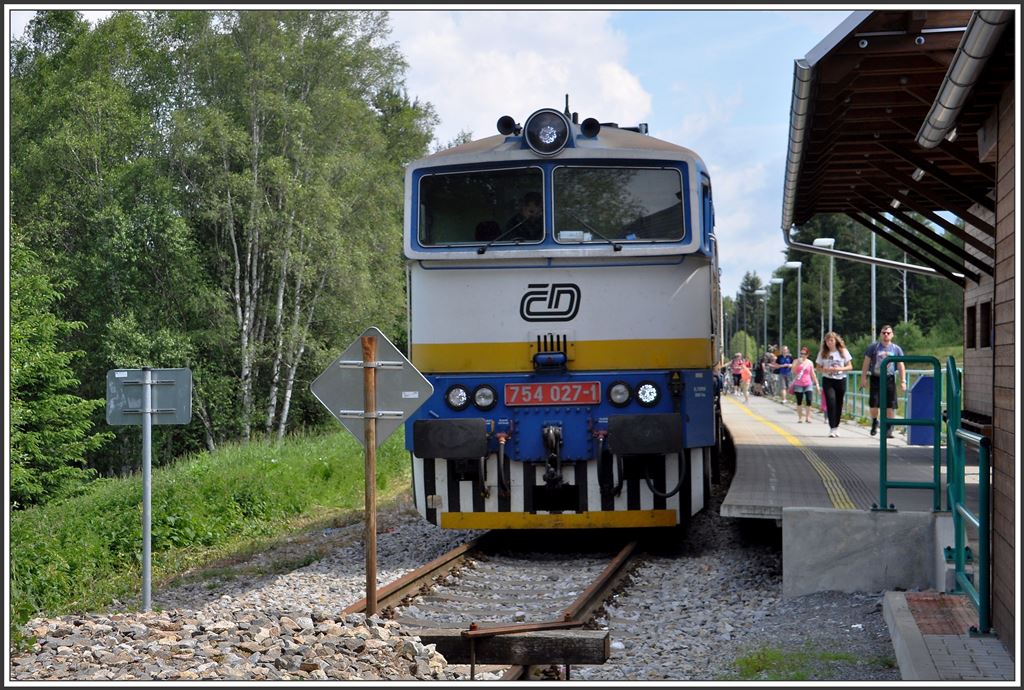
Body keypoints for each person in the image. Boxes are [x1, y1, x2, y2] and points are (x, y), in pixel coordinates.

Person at [860, 325, 907, 439]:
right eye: (884, 333)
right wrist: (863, 378)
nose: (886, 335)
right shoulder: (874, 347)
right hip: (876, 378)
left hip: (889, 378)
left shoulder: (896, 349)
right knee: (874, 405)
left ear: (892, 335)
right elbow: (866, 363)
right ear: (880, 334)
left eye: (888, 333)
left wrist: (903, 380)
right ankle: (875, 421)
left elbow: (901, 365)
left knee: (890, 405)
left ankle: (889, 429)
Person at [815, 331, 854, 437]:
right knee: (831, 401)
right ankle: (832, 427)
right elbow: (818, 367)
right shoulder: (823, 352)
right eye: (827, 341)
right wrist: (826, 369)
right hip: (828, 380)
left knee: (839, 403)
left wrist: (840, 368)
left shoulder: (843, 351)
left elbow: (850, 366)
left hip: (841, 379)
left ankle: (836, 426)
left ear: (836, 341)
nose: (829, 343)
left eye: (831, 340)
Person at [790, 346, 819, 423]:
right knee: (799, 401)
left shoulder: (810, 363)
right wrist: (797, 364)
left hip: (808, 383)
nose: (802, 355)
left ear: (807, 355)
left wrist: (817, 383)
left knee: (809, 400)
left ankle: (808, 417)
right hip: (798, 383)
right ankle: (800, 417)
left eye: (804, 354)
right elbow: (793, 371)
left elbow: (812, 373)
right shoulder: (796, 361)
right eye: (801, 353)